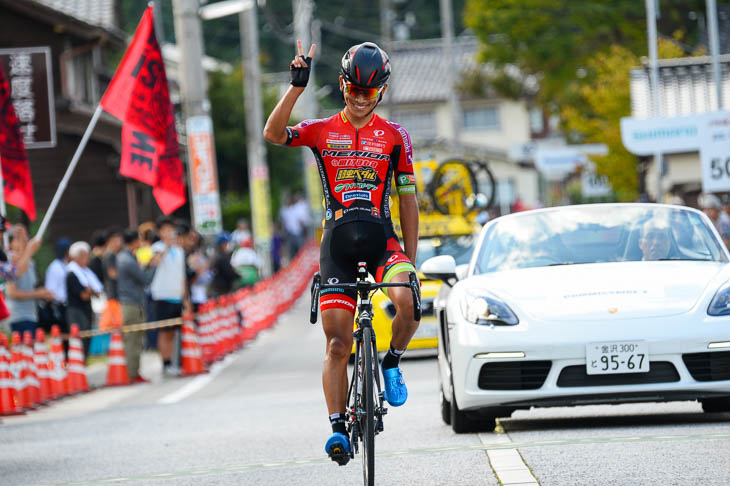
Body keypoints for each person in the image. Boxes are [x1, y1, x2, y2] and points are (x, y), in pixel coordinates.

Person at [263, 40, 421, 463]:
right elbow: (274, 134)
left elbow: (407, 198)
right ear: (341, 84)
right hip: (337, 245)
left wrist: (411, 257)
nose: (358, 98)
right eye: (352, 88)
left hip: (381, 238)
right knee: (337, 344)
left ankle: (392, 362)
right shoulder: (320, 129)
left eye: (367, 92)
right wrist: (295, 87)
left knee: (407, 302)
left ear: (381, 92)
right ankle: (337, 427)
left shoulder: (395, 137)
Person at [117, 228, 159, 383]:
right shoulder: (126, 260)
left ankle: (134, 372)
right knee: (132, 340)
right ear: (134, 241)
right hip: (131, 304)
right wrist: (154, 266)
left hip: (133, 302)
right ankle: (131, 373)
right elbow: (145, 280)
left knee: (135, 340)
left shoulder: (126, 257)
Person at [149, 217, 186, 375]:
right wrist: (166, 247)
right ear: (160, 233)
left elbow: (182, 275)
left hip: (176, 295)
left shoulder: (179, 251)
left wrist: (186, 298)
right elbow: (154, 262)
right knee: (164, 331)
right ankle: (165, 363)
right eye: (165, 230)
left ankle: (172, 361)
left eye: (171, 230)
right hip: (162, 295)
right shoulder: (157, 247)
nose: (169, 233)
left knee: (172, 332)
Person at [4, 224, 53, 335]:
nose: (24, 240)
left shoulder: (30, 262)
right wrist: (38, 294)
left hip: (31, 315)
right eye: (19, 237)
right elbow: (12, 292)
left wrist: (43, 293)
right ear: (11, 243)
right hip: (17, 316)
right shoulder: (8, 261)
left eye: (25, 236)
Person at [66, 241, 103, 359]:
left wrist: (90, 291)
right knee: (79, 341)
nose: (86, 258)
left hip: (86, 310)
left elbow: (97, 292)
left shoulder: (87, 271)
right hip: (76, 311)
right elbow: (83, 295)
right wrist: (90, 291)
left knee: (87, 339)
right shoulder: (71, 273)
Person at [42, 238, 71, 333]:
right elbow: (51, 290)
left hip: (67, 306)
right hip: (58, 307)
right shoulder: (55, 267)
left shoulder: (66, 265)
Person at [208, 231, 239, 297]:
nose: (228, 245)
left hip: (219, 287)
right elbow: (228, 272)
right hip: (221, 289)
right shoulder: (221, 257)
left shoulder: (217, 255)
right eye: (227, 243)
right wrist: (239, 276)